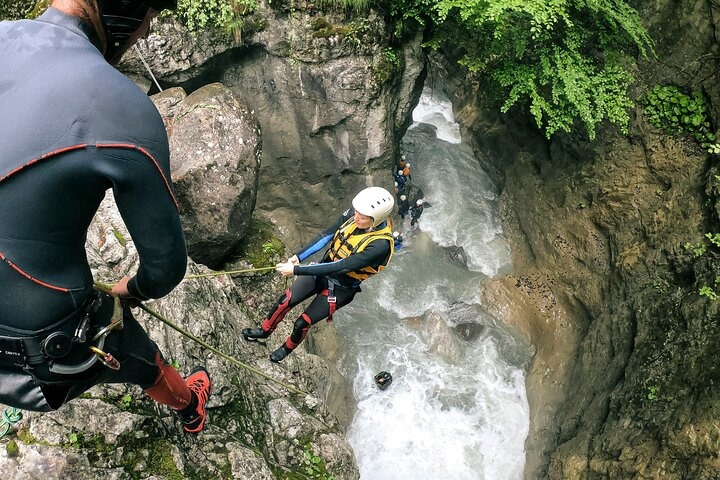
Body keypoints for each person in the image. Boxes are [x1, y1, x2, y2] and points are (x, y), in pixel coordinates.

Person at [0, 0, 211, 432]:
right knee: (131, 348)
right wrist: (129, 290)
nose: (147, 32)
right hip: (36, 351)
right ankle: (189, 405)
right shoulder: (124, 108)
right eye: (150, 16)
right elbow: (165, 270)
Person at [242, 187, 395, 362]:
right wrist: (298, 257)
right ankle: (264, 331)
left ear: (376, 219)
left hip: (340, 288)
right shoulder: (354, 216)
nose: (356, 217)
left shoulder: (380, 245)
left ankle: (285, 350)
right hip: (322, 271)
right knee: (285, 301)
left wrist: (296, 270)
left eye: (362, 216)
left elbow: (340, 266)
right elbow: (326, 235)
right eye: (357, 212)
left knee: (302, 322)